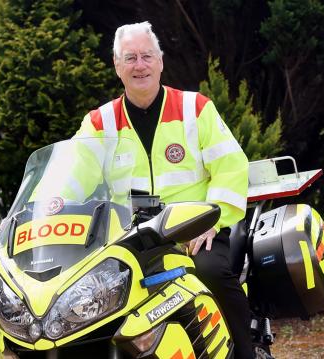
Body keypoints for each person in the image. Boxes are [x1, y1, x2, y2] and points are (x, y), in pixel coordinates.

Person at [75, 21, 253, 359]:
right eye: (130, 58)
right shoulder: (100, 123)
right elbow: (71, 178)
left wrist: (213, 220)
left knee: (210, 272)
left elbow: (232, 167)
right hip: (129, 237)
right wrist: (49, 207)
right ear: (117, 65)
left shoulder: (194, 108)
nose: (139, 65)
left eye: (146, 56)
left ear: (160, 61)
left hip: (196, 230)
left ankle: (246, 353)